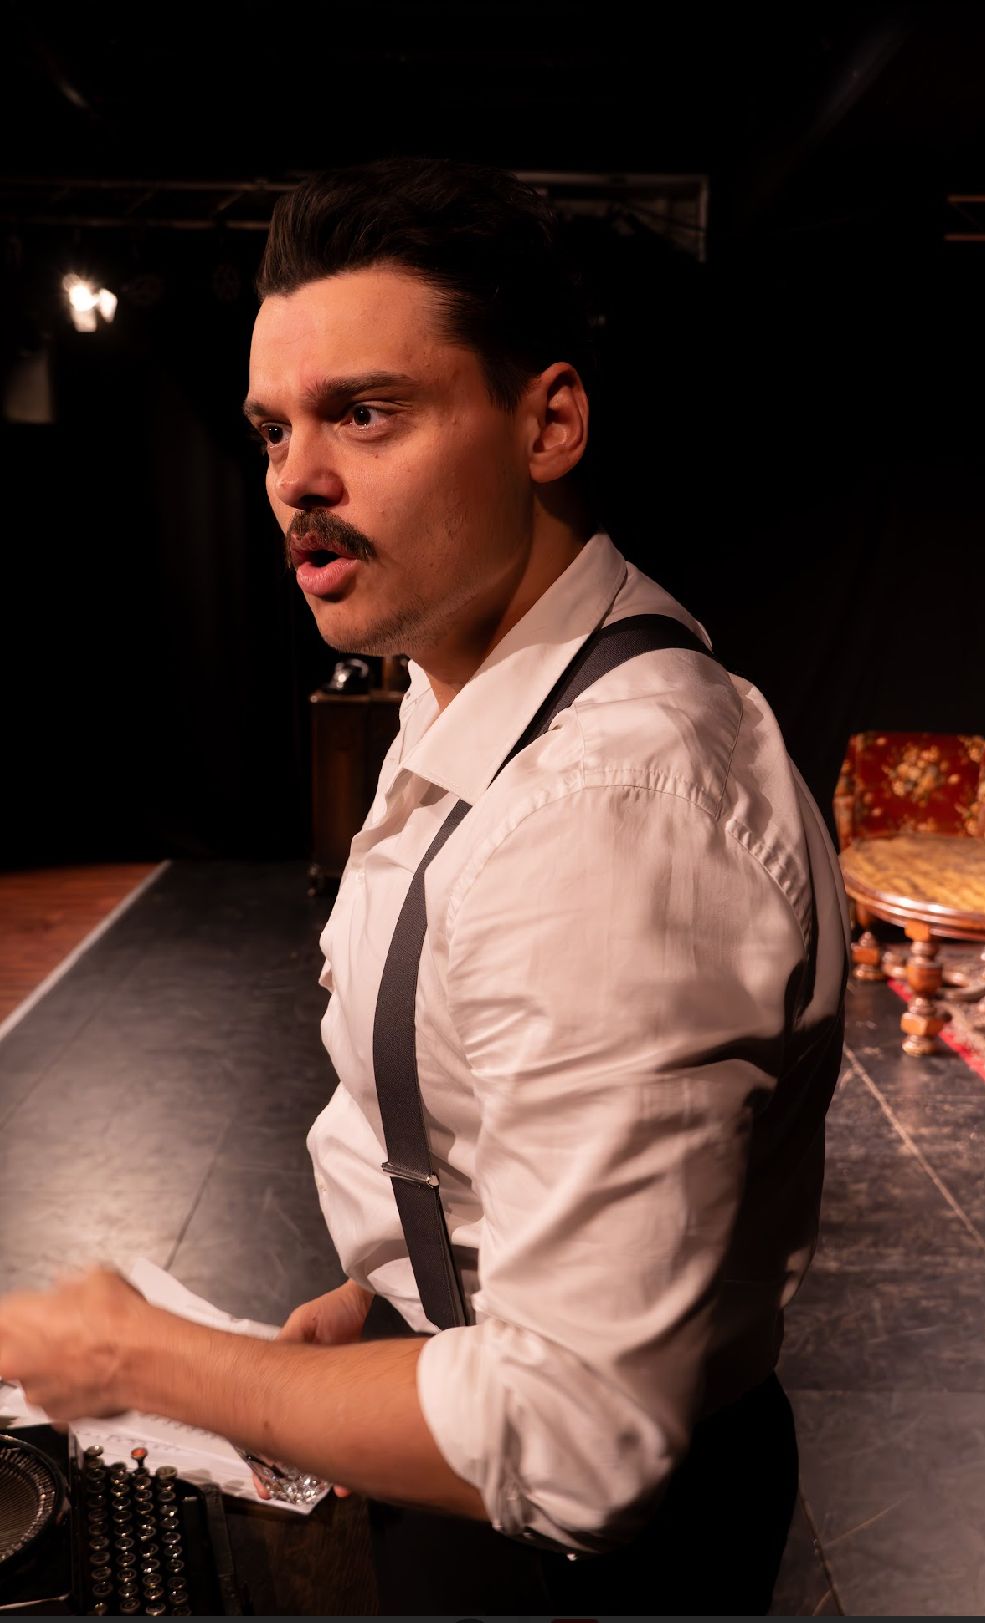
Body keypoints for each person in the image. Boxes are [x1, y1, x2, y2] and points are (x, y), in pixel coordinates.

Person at [0, 157, 849, 1615]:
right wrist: (395, 1294)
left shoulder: (609, 807)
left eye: (365, 412)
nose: (295, 480)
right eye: (274, 429)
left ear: (547, 423)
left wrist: (153, 1361)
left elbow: (575, 1438)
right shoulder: (482, 678)